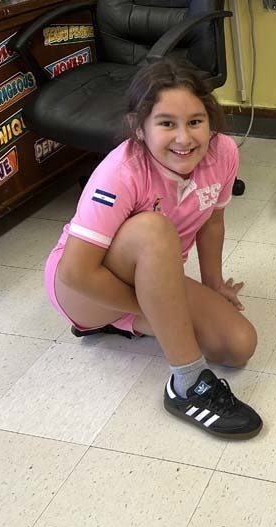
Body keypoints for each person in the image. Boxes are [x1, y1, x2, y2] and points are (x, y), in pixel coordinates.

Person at [43, 58, 263, 440]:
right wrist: (160, 307)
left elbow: (212, 221)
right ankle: (186, 384)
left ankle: (125, 325)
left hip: (149, 283)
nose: (184, 138)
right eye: (166, 123)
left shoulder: (224, 152)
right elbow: (75, 272)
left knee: (238, 346)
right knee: (153, 229)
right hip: (81, 289)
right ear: (138, 128)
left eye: (195, 121)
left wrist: (213, 284)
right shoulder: (122, 169)